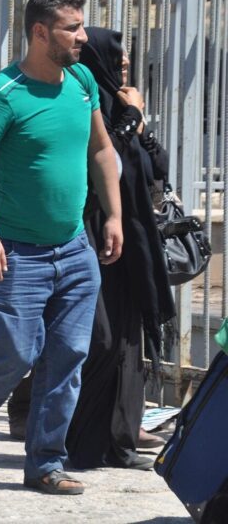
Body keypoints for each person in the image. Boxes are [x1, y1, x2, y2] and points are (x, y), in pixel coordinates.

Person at [0, 0, 122, 495]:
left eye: (81, 25)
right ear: (40, 32)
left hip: (75, 249)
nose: (82, 37)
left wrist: (113, 216)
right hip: (16, 251)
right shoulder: (3, 93)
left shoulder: (81, 80)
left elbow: (101, 150)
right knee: (17, 353)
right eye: (71, 28)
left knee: (69, 355)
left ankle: (45, 463)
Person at [64, 27, 176, 471]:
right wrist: (130, 116)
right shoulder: (81, 103)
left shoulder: (124, 106)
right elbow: (103, 156)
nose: (125, 62)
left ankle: (120, 441)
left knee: (128, 343)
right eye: (116, 55)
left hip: (132, 240)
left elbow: (156, 166)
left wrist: (139, 124)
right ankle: (78, 440)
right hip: (93, 234)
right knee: (100, 340)